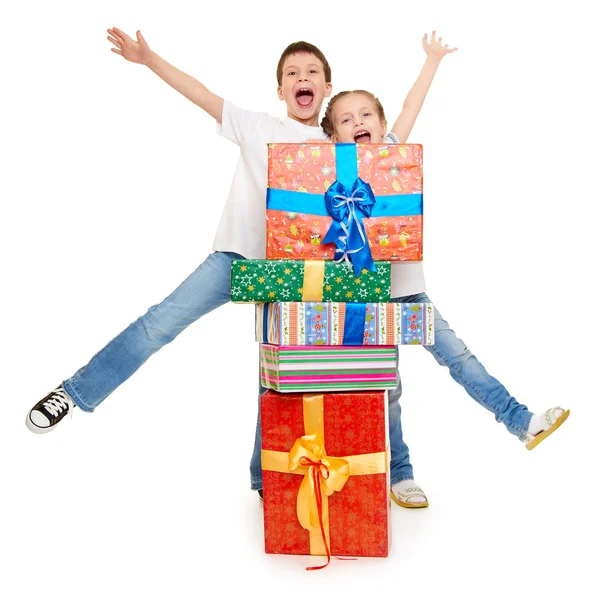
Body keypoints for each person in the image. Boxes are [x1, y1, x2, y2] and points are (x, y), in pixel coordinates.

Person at [25, 29, 463, 509]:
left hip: (300, 274)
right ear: (281, 90)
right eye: (292, 73)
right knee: (160, 323)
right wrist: (149, 60)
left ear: (326, 86)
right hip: (236, 257)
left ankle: (266, 477)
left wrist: (431, 63)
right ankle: (74, 391)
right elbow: (202, 94)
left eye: (312, 72)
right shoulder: (255, 126)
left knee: (278, 373)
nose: (303, 77)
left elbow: (398, 131)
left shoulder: (340, 144)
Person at [318, 88, 570, 506]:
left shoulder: (395, 157)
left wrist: (432, 59)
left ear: (381, 126)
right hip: (364, 300)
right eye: (346, 119)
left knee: (458, 355)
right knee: (388, 389)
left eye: (366, 115)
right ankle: (401, 474)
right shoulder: (327, 173)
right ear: (334, 138)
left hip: (409, 293)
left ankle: (522, 421)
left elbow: (411, 106)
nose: (358, 122)